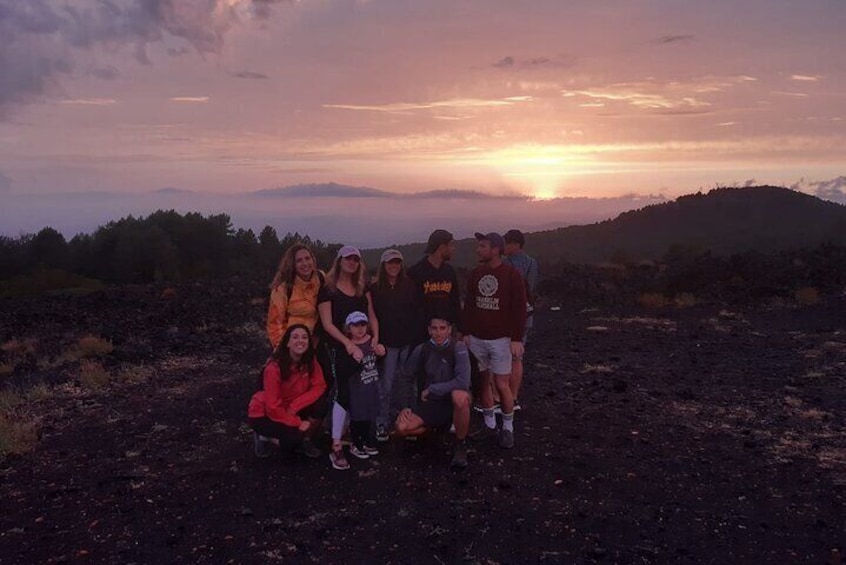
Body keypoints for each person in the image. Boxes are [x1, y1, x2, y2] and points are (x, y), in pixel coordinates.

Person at [317, 246, 384, 467]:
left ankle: (356, 438)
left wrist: (375, 339)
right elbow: (327, 323)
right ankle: (336, 446)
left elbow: (373, 315)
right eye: (348, 258)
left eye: (356, 259)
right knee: (344, 394)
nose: (352, 262)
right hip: (338, 349)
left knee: (362, 390)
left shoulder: (362, 287)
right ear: (339, 261)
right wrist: (346, 343)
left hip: (363, 347)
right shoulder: (328, 288)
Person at [462, 232, 526, 449]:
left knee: (501, 383)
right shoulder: (475, 274)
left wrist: (516, 338)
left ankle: (508, 428)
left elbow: (519, 309)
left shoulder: (511, 275)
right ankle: (489, 425)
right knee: (482, 381)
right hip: (478, 338)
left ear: (496, 249)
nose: (478, 249)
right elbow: (469, 305)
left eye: (483, 246)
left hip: (501, 339)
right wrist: (465, 332)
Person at [394, 315, 472, 468]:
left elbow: (463, 382)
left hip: (452, 400)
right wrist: (405, 406)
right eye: (434, 328)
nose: (438, 333)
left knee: (460, 396)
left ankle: (460, 444)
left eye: (442, 328)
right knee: (401, 428)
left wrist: (432, 389)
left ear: (449, 330)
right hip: (432, 402)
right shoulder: (422, 349)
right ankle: (433, 430)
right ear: (429, 330)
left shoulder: (458, 348)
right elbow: (405, 378)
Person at [248, 324, 327, 459]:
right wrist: (297, 422)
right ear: (288, 343)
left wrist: (294, 406)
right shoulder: (274, 367)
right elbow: (273, 407)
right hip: (264, 413)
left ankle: (304, 439)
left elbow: (320, 385)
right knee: (291, 442)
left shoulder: (310, 361)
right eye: (295, 337)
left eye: (304, 337)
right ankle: (265, 437)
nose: (300, 341)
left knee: (321, 405)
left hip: (291, 405)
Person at [371, 248, 421, 442]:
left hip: (407, 343)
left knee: (407, 384)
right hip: (388, 345)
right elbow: (372, 315)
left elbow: (416, 312)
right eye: (391, 262)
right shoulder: (375, 289)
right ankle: (382, 424)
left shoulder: (409, 286)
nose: (394, 266)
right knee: (386, 384)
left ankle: (408, 423)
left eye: (397, 263)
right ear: (384, 265)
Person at [329, 311, 384, 470]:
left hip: (371, 383)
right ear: (348, 328)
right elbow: (343, 372)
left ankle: (365, 441)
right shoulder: (347, 347)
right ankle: (356, 443)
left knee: (369, 413)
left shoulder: (371, 342)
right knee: (358, 416)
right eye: (355, 326)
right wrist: (355, 360)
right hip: (357, 387)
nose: (360, 329)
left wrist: (382, 352)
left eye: (363, 325)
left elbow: (378, 360)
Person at [502, 229, 539, 410]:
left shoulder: (505, 264)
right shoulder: (532, 263)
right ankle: (514, 397)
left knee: (502, 356)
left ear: (515, 244)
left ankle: (503, 396)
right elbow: (531, 287)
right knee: (518, 357)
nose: (505, 246)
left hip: (507, 316)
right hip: (527, 314)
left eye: (507, 243)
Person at [266, 243, 323, 350]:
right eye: (299, 260)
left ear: (313, 260)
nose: (305, 263)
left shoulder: (321, 278)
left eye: (307, 258)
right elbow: (275, 323)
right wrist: (282, 348)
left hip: (317, 342)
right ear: (292, 264)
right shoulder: (283, 289)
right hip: (294, 344)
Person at [406, 229, 461, 339]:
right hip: (421, 335)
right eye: (450, 245)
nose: (453, 249)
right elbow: (409, 305)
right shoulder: (415, 272)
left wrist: (459, 328)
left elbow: (455, 302)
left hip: (445, 334)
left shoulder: (449, 271)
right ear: (441, 247)